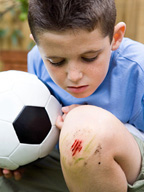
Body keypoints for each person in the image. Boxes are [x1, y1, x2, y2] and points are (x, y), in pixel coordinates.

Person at [0, 0, 144, 191]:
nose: (74, 76)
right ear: (37, 43)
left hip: (130, 171)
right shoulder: (37, 59)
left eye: (90, 57)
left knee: (83, 133)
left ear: (115, 38)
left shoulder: (137, 68)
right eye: (56, 61)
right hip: (70, 166)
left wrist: (88, 120)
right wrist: (14, 154)